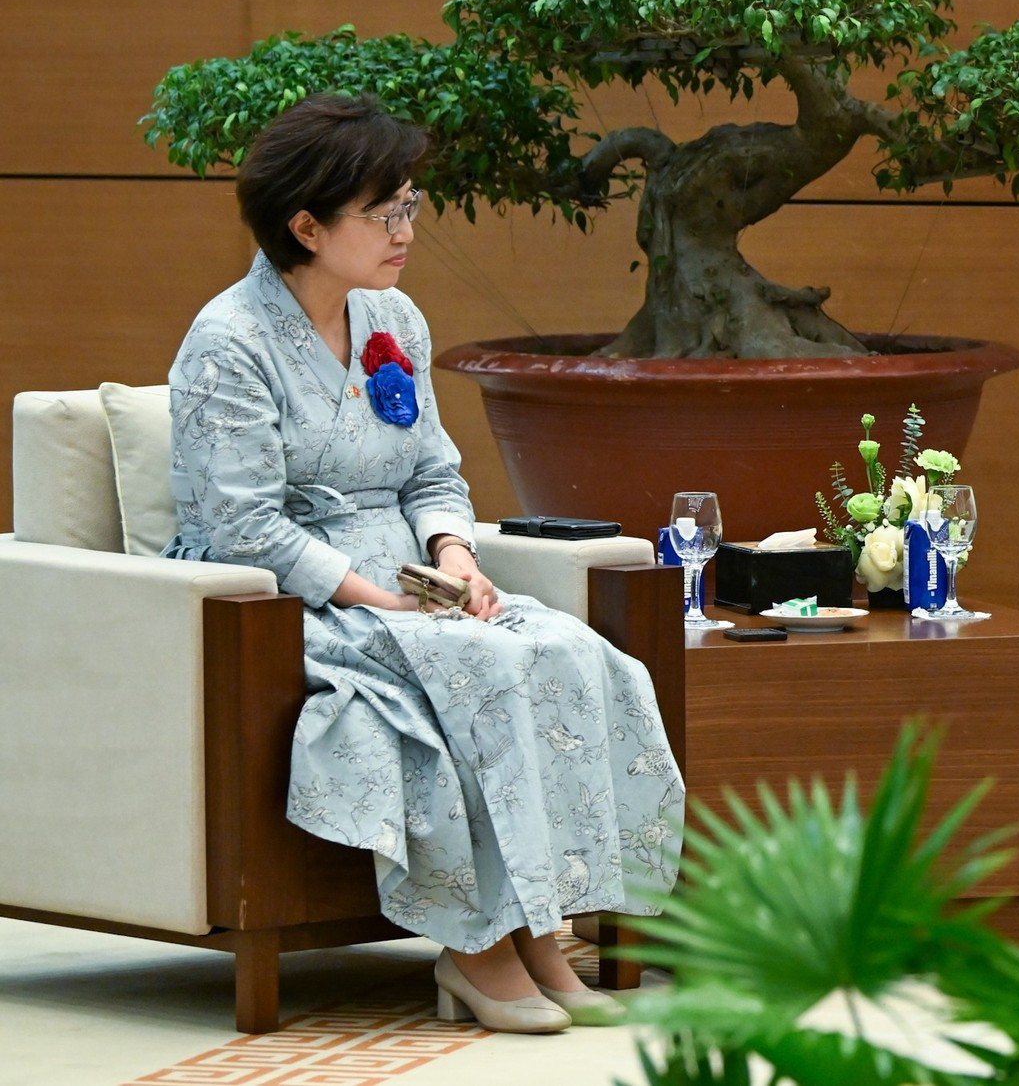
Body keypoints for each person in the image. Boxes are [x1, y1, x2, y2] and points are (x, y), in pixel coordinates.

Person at [163, 93, 685, 1033]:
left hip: (414, 578)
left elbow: (433, 473)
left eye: (410, 204)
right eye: (385, 212)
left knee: (569, 651)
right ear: (307, 226)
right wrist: (383, 602)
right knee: (479, 666)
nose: (409, 229)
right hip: (289, 596)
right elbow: (248, 530)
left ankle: (539, 928)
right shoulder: (227, 343)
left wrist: (453, 552)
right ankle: (476, 945)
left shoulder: (393, 318)